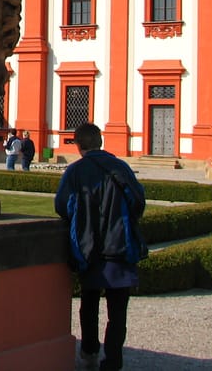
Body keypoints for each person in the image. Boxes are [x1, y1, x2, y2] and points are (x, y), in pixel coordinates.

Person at [54, 123, 147, 371]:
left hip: (89, 248)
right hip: (120, 246)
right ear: (100, 142)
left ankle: (90, 352)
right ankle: (114, 360)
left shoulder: (75, 172)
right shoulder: (121, 167)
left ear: (78, 144)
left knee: (90, 304)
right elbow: (138, 201)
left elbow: (62, 206)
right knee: (118, 312)